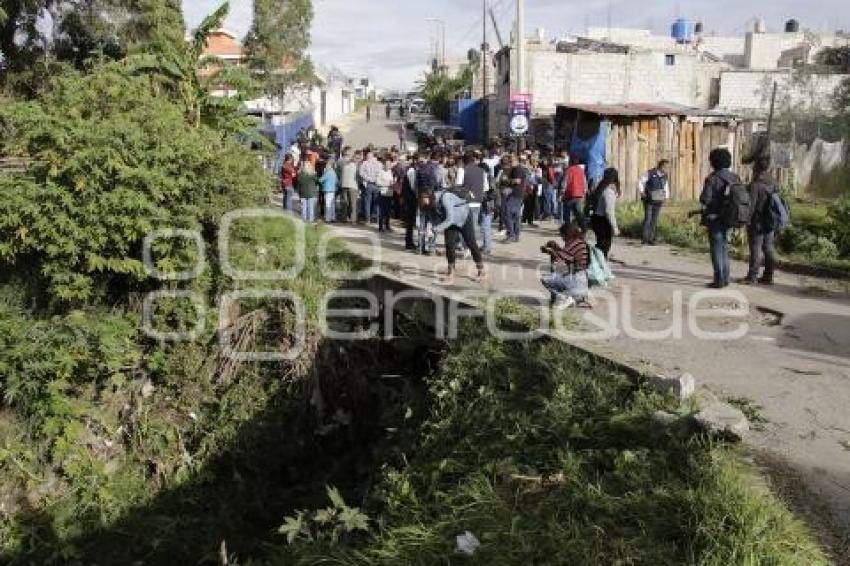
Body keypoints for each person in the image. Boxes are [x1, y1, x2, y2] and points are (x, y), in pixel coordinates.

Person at [699, 148, 740, 289]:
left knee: (716, 248)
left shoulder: (712, 178)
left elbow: (705, 199)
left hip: (714, 218)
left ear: (714, 161)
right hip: (730, 217)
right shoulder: (735, 177)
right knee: (724, 247)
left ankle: (719, 279)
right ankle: (726, 278)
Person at [431, 189, 486, 284]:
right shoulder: (433, 203)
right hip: (451, 221)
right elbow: (437, 219)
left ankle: (481, 271)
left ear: (432, 198)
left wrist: (434, 229)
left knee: (471, 243)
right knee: (449, 244)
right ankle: (451, 272)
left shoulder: (445, 198)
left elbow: (449, 219)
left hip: (464, 217)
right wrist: (431, 228)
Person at [741, 156, 778, 285]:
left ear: (756, 168)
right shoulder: (773, 182)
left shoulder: (755, 185)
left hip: (757, 221)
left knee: (755, 249)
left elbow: (751, 206)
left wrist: (745, 220)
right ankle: (768, 276)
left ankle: (752, 277)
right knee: (768, 248)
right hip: (770, 219)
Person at [541, 223, 591, 309]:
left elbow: (562, 259)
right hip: (581, 280)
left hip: (576, 280)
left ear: (568, 234)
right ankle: (573, 298)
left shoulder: (575, 243)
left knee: (546, 279)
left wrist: (552, 251)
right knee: (558, 275)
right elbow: (566, 255)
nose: (562, 239)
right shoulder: (579, 242)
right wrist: (555, 249)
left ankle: (565, 298)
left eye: (563, 236)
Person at [591, 167, 621, 258]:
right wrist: (615, 228)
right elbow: (609, 211)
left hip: (596, 218)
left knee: (600, 244)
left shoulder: (600, 187)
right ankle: (598, 265)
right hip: (603, 221)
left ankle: (596, 263)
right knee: (604, 246)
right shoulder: (609, 191)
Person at [639, 159, 670, 245]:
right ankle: (644, 238)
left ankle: (651, 238)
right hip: (648, 199)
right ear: (660, 166)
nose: (666, 168)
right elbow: (640, 182)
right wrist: (642, 192)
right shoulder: (650, 173)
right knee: (648, 219)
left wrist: (666, 197)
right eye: (665, 166)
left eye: (667, 167)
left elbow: (666, 186)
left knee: (654, 219)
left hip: (659, 199)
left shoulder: (665, 176)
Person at [504, 155, 526, 242]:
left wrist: (507, 180)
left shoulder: (518, 169)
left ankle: (511, 234)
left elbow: (518, 181)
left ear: (516, 161)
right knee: (515, 215)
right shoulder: (514, 169)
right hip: (516, 194)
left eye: (512, 161)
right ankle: (516, 235)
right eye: (509, 161)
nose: (510, 162)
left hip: (515, 194)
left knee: (508, 213)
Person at [562, 154, 587, 226]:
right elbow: (584, 182)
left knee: (567, 212)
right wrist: (584, 192)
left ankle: (568, 227)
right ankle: (582, 227)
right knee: (579, 213)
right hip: (579, 195)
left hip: (570, 194)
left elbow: (565, 182)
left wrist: (562, 192)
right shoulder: (581, 171)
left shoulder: (569, 170)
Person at [358, 149, 381, 224]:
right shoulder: (379, 163)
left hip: (369, 184)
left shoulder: (364, 163)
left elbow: (361, 173)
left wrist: (368, 178)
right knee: (376, 202)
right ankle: (376, 218)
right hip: (377, 184)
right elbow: (380, 173)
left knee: (368, 202)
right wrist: (376, 179)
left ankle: (368, 219)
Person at [339, 148, 360, 223]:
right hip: (350, 185)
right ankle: (351, 219)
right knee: (350, 203)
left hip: (347, 185)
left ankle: (347, 219)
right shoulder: (353, 164)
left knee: (348, 203)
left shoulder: (344, 163)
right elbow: (358, 176)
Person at [376, 156, 395, 232]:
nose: (388, 165)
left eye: (389, 164)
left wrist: (393, 184)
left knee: (388, 211)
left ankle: (387, 225)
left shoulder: (391, 172)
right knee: (382, 211)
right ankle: (380, 227)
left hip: (390, 193)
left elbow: (392, 181)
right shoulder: (381, 171)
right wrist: (386, 184)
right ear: (384, 164)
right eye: (386, 164)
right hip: (383, 193)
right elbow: (377, 182)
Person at [319, 158, 338, 223]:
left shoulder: (328, 172)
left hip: (327, 190)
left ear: (329, 166)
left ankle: (328, 218)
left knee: (328, 204)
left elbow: (321, 180)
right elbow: (337, 181)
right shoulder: (334, 172)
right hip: (333, 189)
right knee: (332, 204)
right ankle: (333, 217)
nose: (325, 166)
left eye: (327, 165)